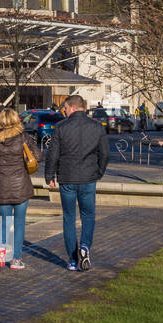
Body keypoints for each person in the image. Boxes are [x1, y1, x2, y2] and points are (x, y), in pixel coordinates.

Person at [44, 93, 109, 271]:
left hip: (67, 178)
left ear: (72, 107)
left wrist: (49, 175)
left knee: (69, 218)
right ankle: (85, 246)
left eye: (64, 108)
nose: (63, 111)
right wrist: (99, 172)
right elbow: (104, 154)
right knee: (88, 215)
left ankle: (73, 260)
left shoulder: (61, 127)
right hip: (88, 178)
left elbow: (53, 154)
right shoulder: (96, 127)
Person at [0, 107, 41, 270]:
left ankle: (1, 252)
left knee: (4, 222)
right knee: (19, 224)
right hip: (21, 186)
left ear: (1, 120)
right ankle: (15, 260)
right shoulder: (23, 138)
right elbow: (38, 157)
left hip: (2, 186)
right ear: (16, 120)